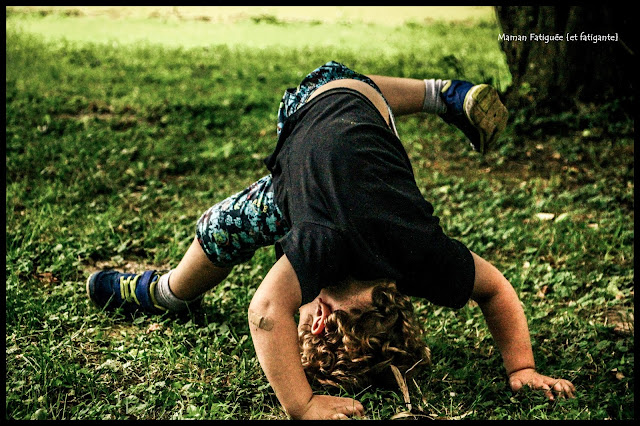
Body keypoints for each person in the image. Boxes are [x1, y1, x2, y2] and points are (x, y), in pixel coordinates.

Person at [86, 61, 575, 420]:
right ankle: (440, 93)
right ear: (317, 320)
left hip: (361, 122)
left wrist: (522, 366)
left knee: (237, 220)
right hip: (321, 102)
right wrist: (302, 405)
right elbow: (264, 313)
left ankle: (169, 292)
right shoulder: (322, 245)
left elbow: (495, 290)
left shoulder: (422, 258)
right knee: (223, 225)